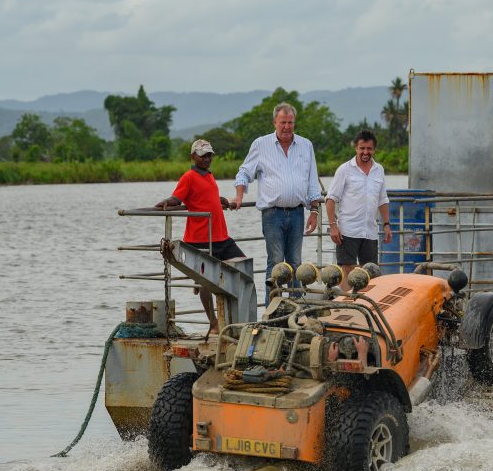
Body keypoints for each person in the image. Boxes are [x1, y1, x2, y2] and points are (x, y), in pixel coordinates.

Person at [233, 102, 322, 303]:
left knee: (296, 263)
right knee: (275, 261)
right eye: (283, 122)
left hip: (298, 213)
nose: (287, 127)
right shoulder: (260, 144)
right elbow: (244, 172)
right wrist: (239, 196)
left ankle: (295, 309)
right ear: (275, 122)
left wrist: (314, 211)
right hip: (272, 214)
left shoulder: (306, 145)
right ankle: (272, 309)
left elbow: (312, 181)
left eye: (290, 122)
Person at [156, 138, 245, 332]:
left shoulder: (209, 176)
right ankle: (213, 323)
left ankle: (237, 317)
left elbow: (205, 197)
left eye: (209, 155)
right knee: (207, 280)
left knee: (242, 268)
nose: (207, 159)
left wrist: (219, 199)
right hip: (200, 237)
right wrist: (166, 202)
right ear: (193, 156)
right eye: (203, 155)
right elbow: (177, 197)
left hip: (221, 235)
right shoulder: (189, 176)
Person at [325, 129, 391, 283]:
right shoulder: (344, 170)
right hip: (348, 231)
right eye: (362, 148)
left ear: (374, 149)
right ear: (356, 148)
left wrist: (387, 224)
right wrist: (333, 226)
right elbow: (330, 199)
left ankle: (366, 305)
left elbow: (382, 199)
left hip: (370, 231)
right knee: (347, 271)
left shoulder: (379, 170)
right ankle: (347, 305)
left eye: (369, 148)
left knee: (370, 271)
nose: (365, 152)